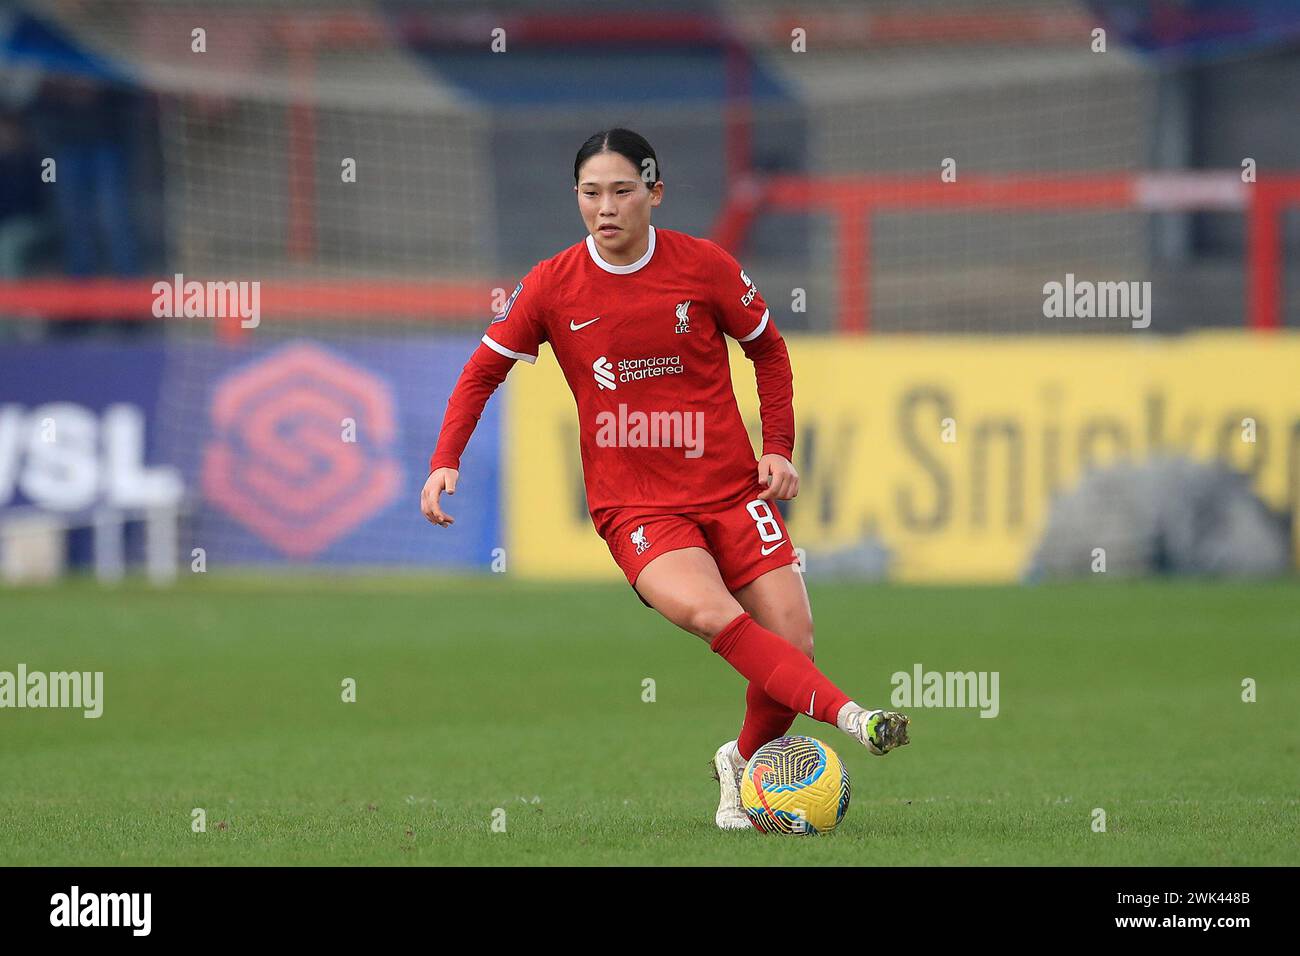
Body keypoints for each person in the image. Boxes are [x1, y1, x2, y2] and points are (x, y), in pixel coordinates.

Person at [422, 128, 909, 829]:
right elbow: (482, 370)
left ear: (655, 192)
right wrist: (446, 459)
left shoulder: (704, 266)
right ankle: (852, 717)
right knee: (716, 615)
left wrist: (778, 448)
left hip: (733, 489)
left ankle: (740, 763)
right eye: (591, 193)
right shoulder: (553, 284)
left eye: (622, 191)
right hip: (637, 506)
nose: (605, 208)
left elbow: (767, 350)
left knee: (793, 641)